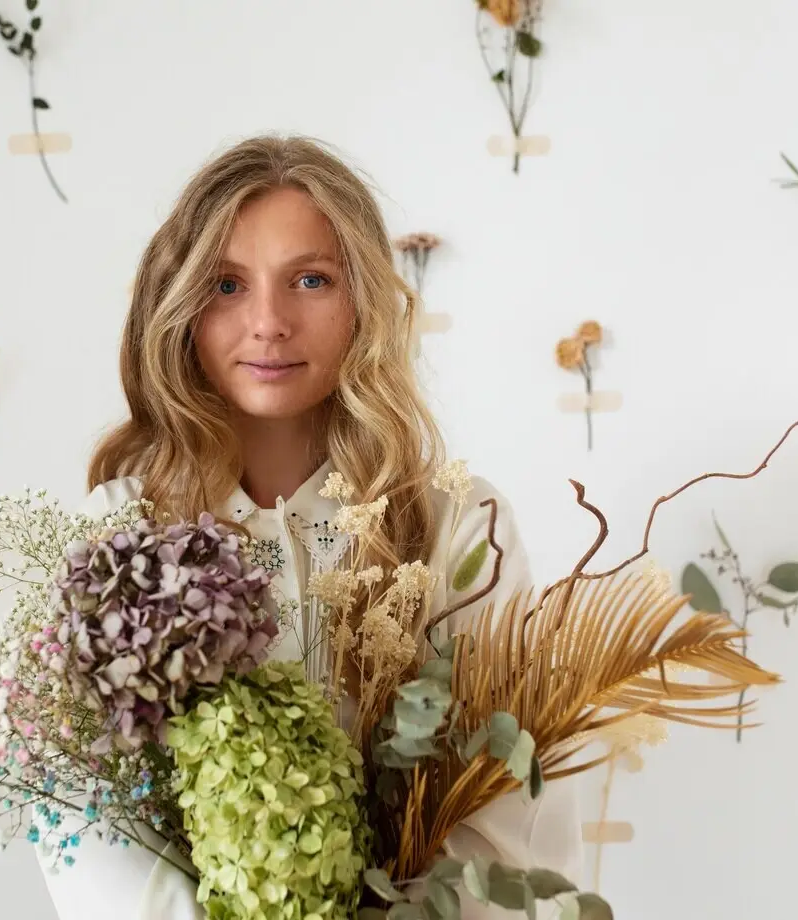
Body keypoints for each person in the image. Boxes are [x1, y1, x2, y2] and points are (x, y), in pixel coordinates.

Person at [34, 134, 583, 920]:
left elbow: (509, 810)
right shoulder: (117, 534)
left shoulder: (463, 528)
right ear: (180, 302)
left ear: (363, 302)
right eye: (227, 284)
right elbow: (79, 818)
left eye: (312, 280)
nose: (268, 323)